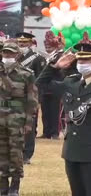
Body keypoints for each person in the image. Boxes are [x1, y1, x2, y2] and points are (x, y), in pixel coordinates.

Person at [36, 43, 91, 196]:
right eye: (79, 60)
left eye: (86, 60)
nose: (81, 63)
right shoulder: (71, 83)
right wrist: (54, 67)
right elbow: (40, 85)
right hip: (72, 151)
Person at [0, 42, 38, 196]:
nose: (7, 56)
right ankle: (2, 185)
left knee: (16, 153)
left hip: (17, 117)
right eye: (5, 53)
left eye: (10, 53)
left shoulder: (26, 73)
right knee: (1, 152)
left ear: (17, 55)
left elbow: (32, 99)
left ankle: (15, 185)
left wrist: (29, 122)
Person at [15, 32, 46, 164]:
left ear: (30, 43)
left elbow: (41, 79)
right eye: (20, 42)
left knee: (29, 126)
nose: (22, 44)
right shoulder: (13, 57)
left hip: (30, 97)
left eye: (25, 42)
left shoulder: (37, 59)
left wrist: (37, 99)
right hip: (15, 97)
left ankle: (27, 154)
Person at [38, 31, 65, 140]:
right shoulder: (47, 56)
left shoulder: (61, 56)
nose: (48, 47)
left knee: (55, 111)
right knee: (45, 112)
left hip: (56, 87)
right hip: (45, 88)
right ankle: (46, 132)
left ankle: (54, 133)